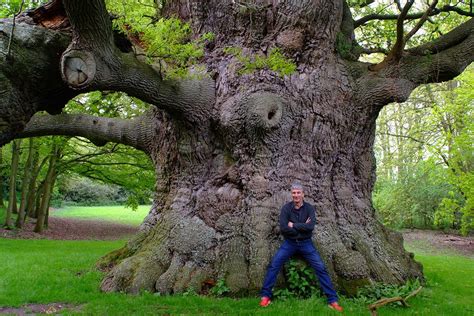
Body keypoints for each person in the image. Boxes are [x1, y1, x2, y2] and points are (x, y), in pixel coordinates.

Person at [259, 182, 343, 312]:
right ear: (291, 194)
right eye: (294, 193)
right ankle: (265, 296)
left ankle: (332, 300)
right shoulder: (286, 209)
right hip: (290, 243)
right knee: (274, 265)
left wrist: (294, 225)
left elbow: (310, 227)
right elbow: (283, 228)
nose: (296, 195)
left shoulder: (309, 208)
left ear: (303, 194)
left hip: (306, 243)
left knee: (321, 268)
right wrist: (300, 227)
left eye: (298, 193)